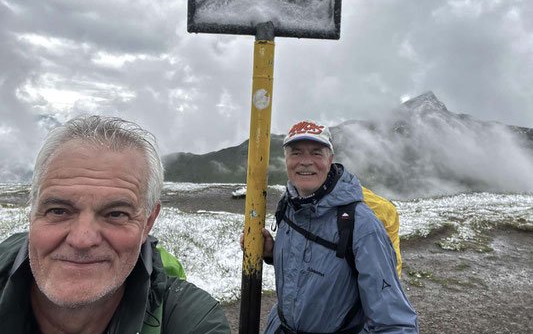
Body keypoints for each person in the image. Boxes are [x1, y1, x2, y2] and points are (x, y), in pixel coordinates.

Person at [0, 115, 230, 334]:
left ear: (148, 222)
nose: (82, 239)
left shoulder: (190, 321)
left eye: (116, 214)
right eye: (58, 211)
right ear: (32, 212)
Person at [249, 120, 418, 333]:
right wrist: (273, 253)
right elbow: (320, 265)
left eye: (316, 153)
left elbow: (395, 323)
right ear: (286, 160)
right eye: (296, 153)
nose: (305, 162)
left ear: (330, 160)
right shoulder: (288, 204)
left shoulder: (361, 224)